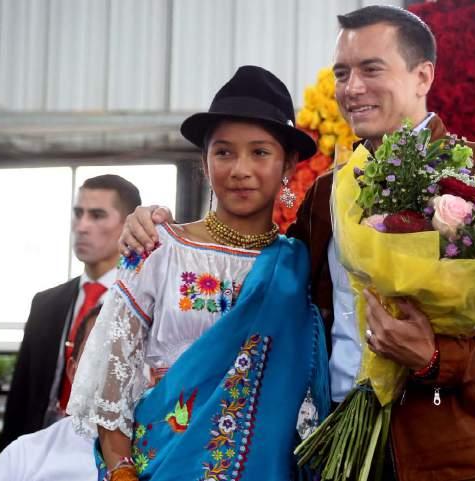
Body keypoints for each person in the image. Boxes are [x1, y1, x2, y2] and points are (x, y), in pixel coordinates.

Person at [120, 6, 475, 481]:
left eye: (371, 69)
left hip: (455, 454)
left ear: (422, 76)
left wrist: (435, 358)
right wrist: (159, 227)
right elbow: (265, 274)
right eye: (342, 73)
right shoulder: (328, 191)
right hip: (338, 448)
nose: (352, 87)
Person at [68, 65, 329, 481]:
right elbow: (110, 385)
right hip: (162, 466)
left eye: (260, 152)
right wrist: (120, 471)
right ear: (204, 163)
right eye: (224, 152)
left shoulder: (300, 265)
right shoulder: (157, 249)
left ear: (288, 164)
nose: (239, 169)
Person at [1, 175, 141, 448]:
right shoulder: (46, 303)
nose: (82, 226)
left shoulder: (143, 302)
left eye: (97, 215)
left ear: (128, 224)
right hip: (42, 450)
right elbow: (21, 397)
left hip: (118, 452)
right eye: (78, 213)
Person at [0, 305, 102, 481]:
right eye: (98, 350)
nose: (111, 364)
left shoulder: (149, 456)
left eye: (127, 350)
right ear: (73, 371)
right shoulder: (22, 458)